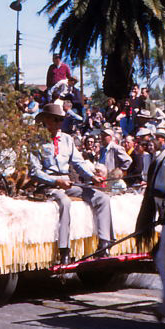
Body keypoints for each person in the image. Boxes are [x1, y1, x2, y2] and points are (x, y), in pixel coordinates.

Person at [29, 102, 113, 264]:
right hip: (48, 186)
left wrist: (92, 177)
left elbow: (79, 164)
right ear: (45, 120)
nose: (59, 123)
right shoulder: (36, 142)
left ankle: (104, 245)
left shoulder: (67, 140)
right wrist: (56, 181)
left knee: (103, 199)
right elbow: (34, 172)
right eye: (55, 119)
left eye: (61, 120)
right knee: (65, 203)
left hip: (68, 182)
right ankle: (64, 251)